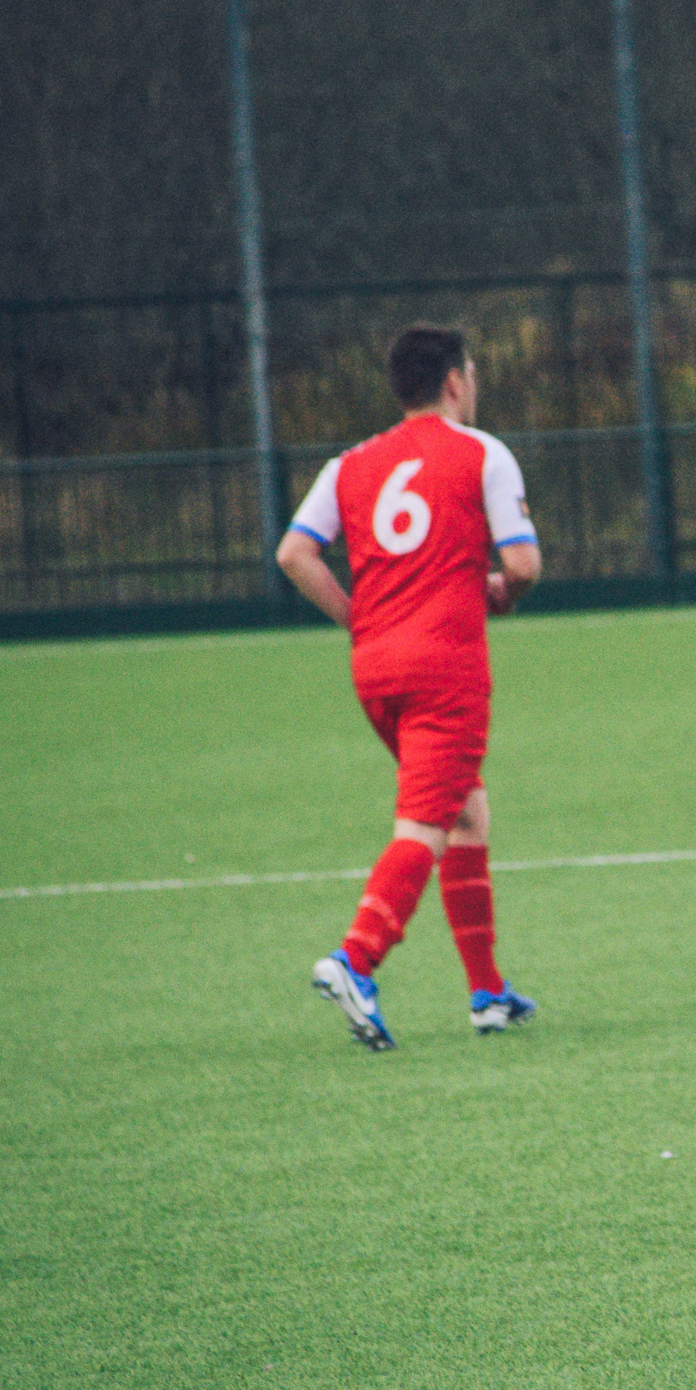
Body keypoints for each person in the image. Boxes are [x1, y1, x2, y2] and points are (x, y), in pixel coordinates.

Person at [276, 324, 544, 1050]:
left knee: (465, 811)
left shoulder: (350, 463)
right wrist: (496, 593)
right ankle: (355, 960)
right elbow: (521, 566)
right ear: (456, 380)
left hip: (376, 668)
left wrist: (358, 618)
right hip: (444, 669)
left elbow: (294, 553)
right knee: (425, 821)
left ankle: (487, 991)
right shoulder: (483, 453)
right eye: (474, 372)